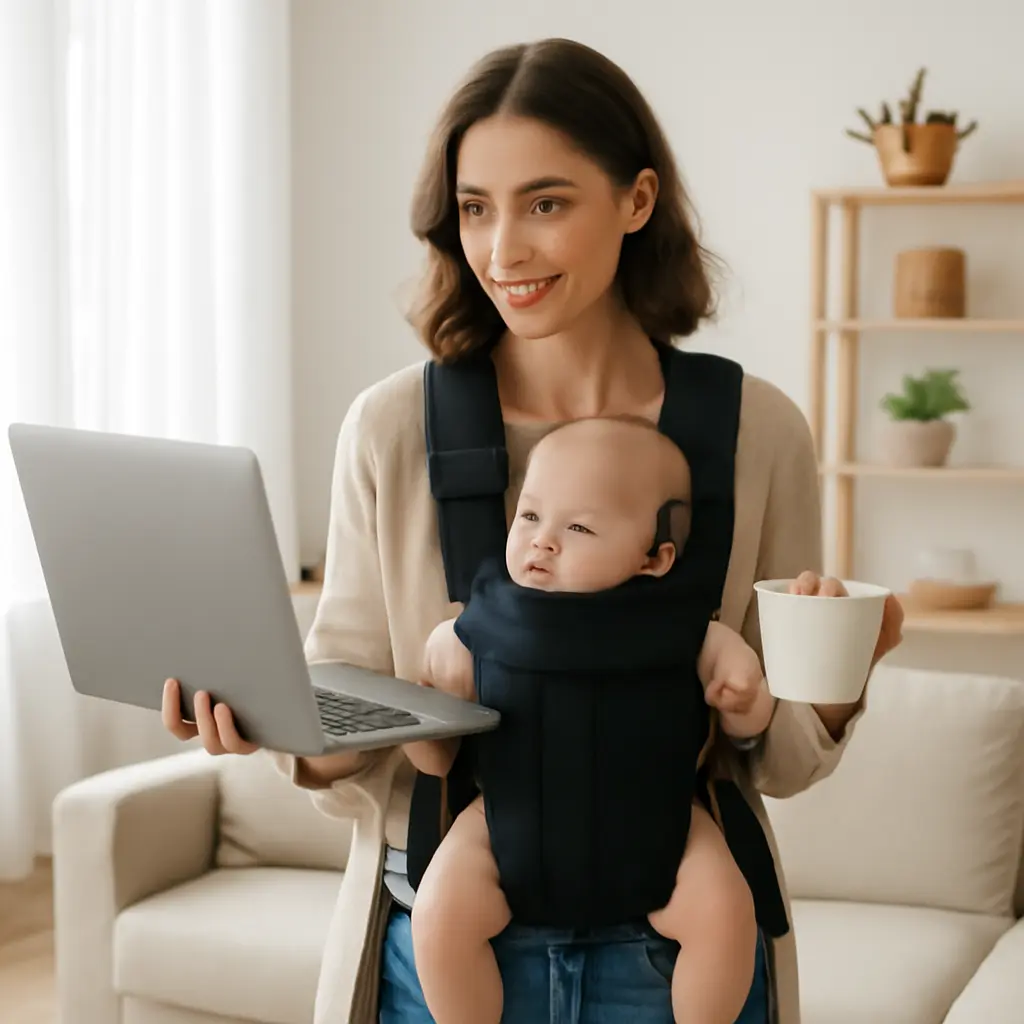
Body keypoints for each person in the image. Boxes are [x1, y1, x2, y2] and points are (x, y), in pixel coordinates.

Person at [161, 37, 904, 1024]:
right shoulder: (391, 428)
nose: (502, 249)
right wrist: (276, 725)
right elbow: (353, 721)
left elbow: (789, 759)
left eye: (544, 203)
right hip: (436, 937)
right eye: (476, 208)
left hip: (677, 953)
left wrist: (835, 684)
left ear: (636, 201)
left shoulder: (755, 432)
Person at [408, 415, 775, 1024]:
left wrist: (744, 702)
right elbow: (436, 761)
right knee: (442, 909)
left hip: (661, 825)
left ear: (654, 559)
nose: (541, 540)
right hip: (509, 820)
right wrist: (427, 722)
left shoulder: (691, 630)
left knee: (725, 911)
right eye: (529, 515)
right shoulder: (470, 631)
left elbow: (749, 726)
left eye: (577, 526)